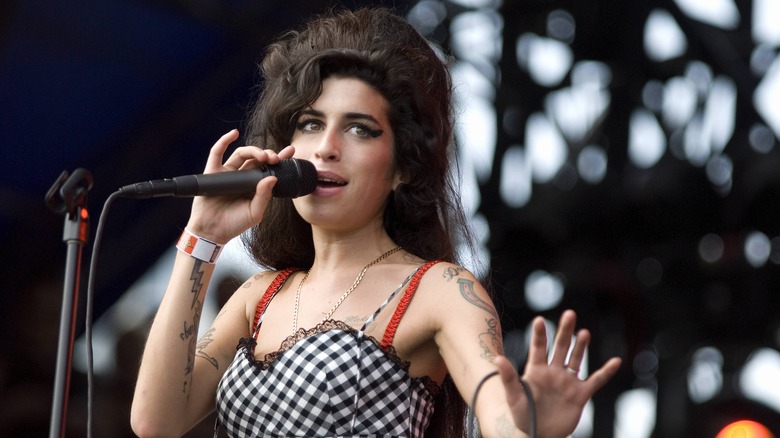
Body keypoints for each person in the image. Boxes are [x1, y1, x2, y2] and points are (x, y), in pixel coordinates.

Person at [130, 7, 621, 438]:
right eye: (310, 123)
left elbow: (498, 415)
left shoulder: (439, 289)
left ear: (403, 167)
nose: (326, 146)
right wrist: (203, 238)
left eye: (359, 129)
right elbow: (156, 421)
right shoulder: (260, 297)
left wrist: (531, 425)